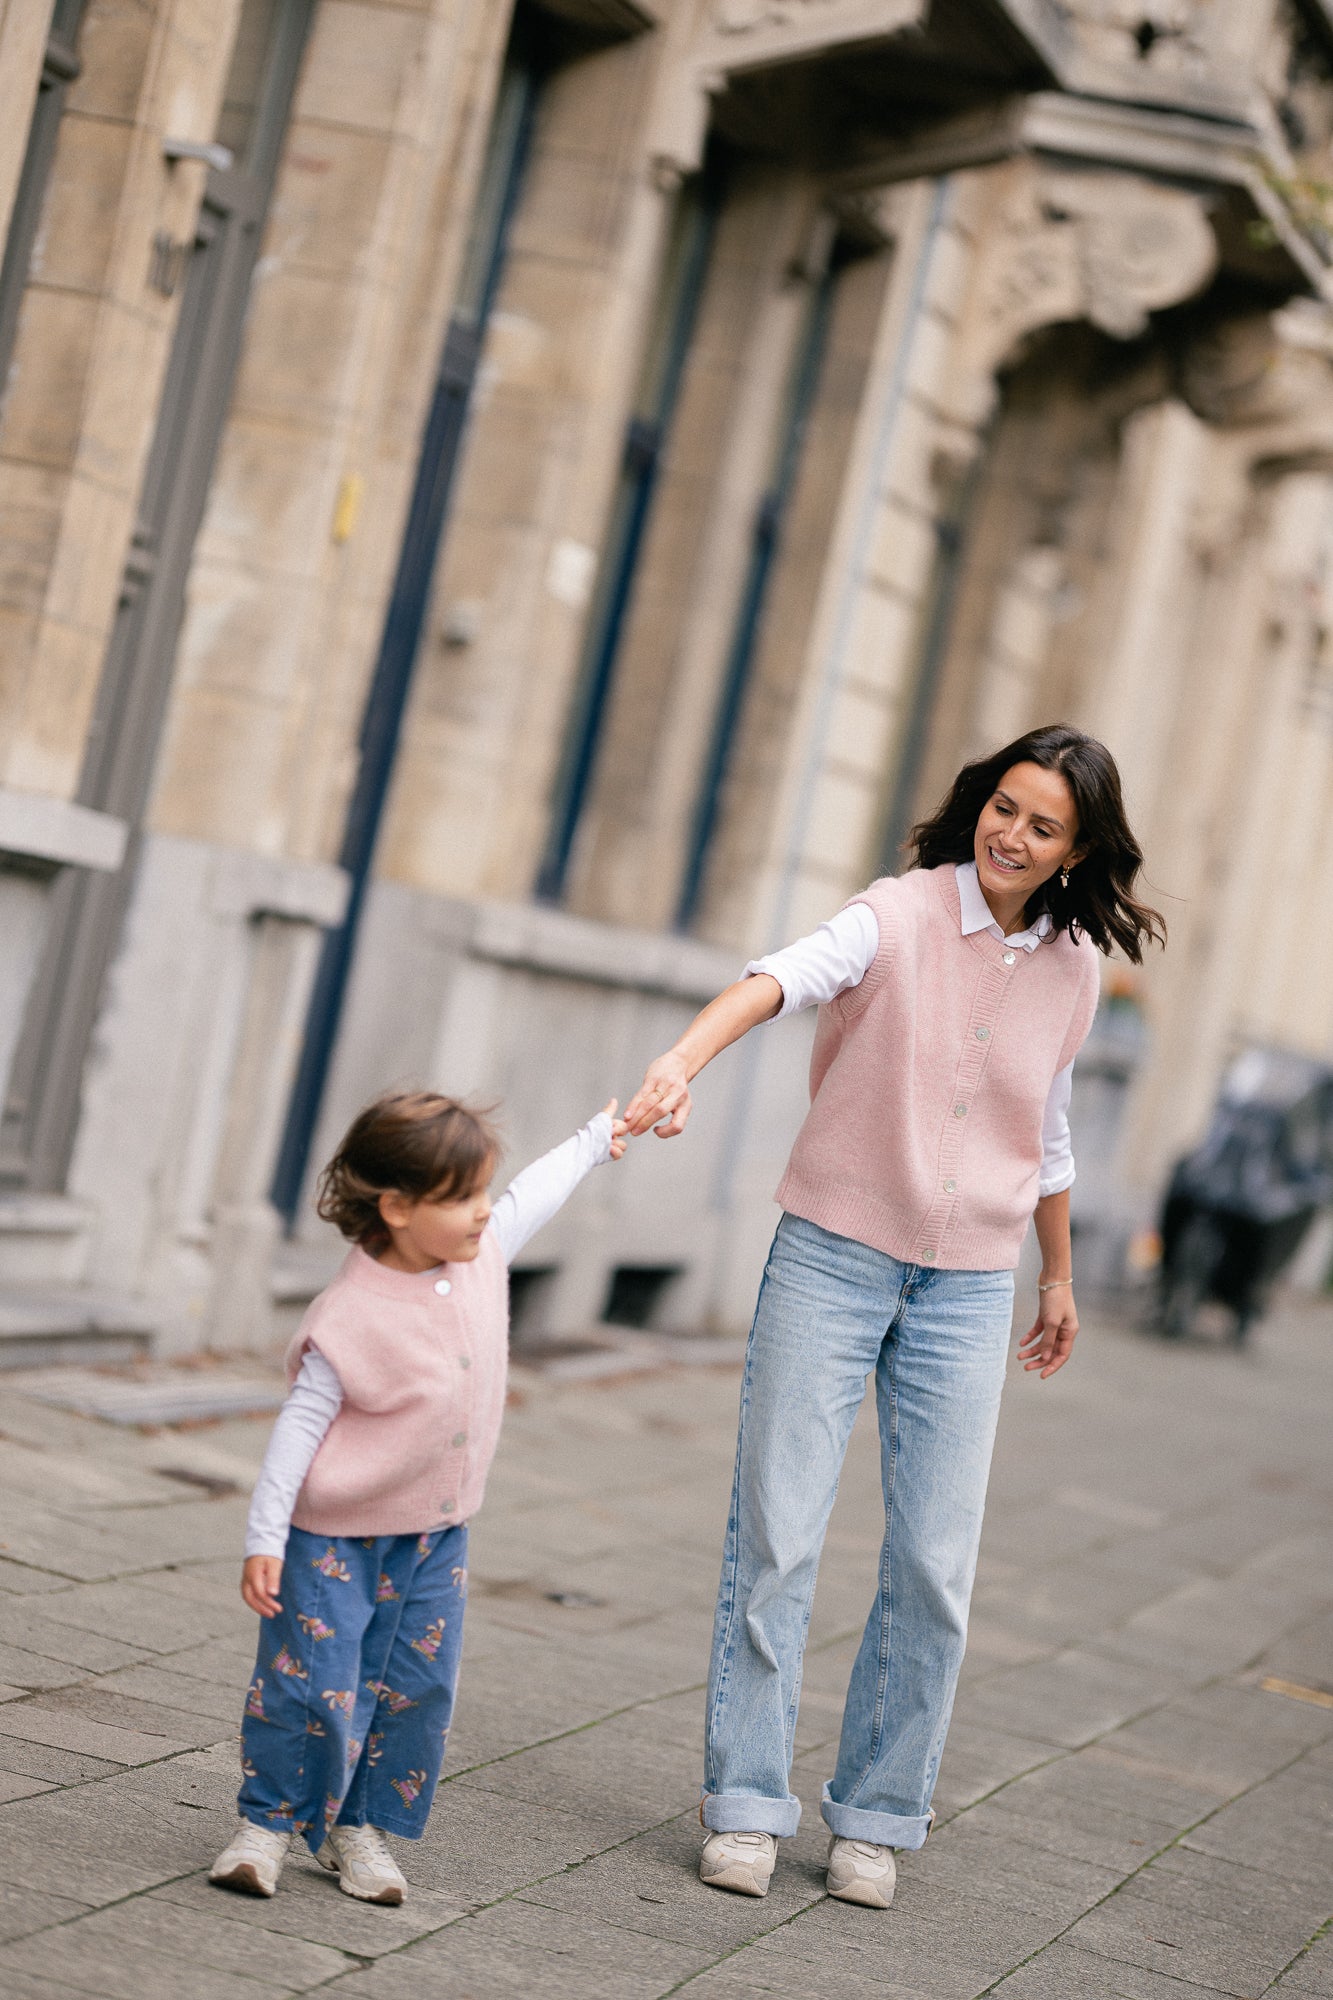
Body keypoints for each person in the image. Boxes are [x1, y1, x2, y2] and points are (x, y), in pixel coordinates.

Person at [624, 724, 1164, 1910]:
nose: (1011, 835)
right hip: (832, 1253)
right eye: (1003, 807)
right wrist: (680, 1060)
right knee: (778, 1530)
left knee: (933, 1560)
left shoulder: (1073, 969)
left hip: (969, 1284)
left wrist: (1057, 1276)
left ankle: (875, 1812)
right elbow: (777, 977)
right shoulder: (899, 913)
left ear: (1077, 850)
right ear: (979, 802)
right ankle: (748, 1804)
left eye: (1042, 825)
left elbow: (1050, 1132)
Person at [209, 1089, 628, 1905]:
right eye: (461, 1198)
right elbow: (297, 1430)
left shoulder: (484, 1254)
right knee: (310, 1684)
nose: (483, 1213)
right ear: (397, 1207)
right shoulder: (349, 1311)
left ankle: (354, 1830)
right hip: (331, 1538)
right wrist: (266, 1536)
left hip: (435, 1536)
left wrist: (597, 1135)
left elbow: (531, 1192)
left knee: (414, 1687)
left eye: (481, 1193)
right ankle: (263, 1825)